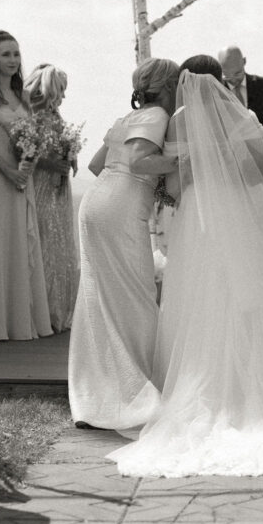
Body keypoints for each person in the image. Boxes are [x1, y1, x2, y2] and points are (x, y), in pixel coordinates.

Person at [109, 70, 263, 476]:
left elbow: (174, 185)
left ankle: (206, 387)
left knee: (201, 299)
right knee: (253, 298)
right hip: (244, 218)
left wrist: (173, 188)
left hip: (201, 218)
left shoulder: (178, 119)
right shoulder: (243, 115)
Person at [68, 58, 180, 430]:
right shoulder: (157, 117)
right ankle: (135, 390)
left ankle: (98, 393)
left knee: (99, 298)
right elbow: (140, 161)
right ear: (167, 86)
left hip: (97, 202)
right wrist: (183, 161)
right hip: (122, 207)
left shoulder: (126, 119)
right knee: (136, 297)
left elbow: (98, 165)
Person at [0, 30, 53, 343]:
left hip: (21, 180)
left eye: (16, 54)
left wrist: (27, 165)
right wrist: (7, 171)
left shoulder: (24, 96)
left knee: (18, 244)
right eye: (6, 54)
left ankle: (20, 322)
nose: (13, 60)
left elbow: (32, 138)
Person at [217, 45, 263, 255]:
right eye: (227, 75)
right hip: (233, 172)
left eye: (237, 73)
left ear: (245, 62)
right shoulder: (217, 92)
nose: (232, 79)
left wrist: (257, 136)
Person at [24, 63, 79, 334]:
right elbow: (28, 152)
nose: (64, 96)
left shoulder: (53, 116)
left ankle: (59, 310)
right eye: (61, 90)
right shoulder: (33, 115)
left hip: (58, 186)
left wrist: (70, 157)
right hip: (42, 184)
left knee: (59, 244)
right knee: (45, 240)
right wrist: (53, 163)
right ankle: (45, 311)